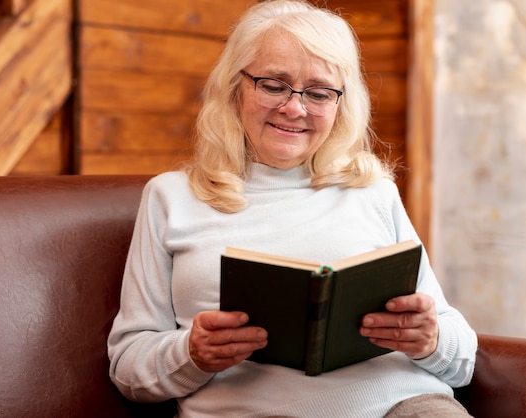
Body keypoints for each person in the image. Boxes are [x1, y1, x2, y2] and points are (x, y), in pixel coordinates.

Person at [107, 1, 477, 416]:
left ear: (340, 104)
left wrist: (430, 339)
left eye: (319, 93)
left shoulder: (373, 191)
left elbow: (462, 358)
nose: (295, 108)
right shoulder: (170, 198)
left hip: (404, 405)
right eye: (273, 84)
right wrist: (191, 353)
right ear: (235, 86)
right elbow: (128, 368)